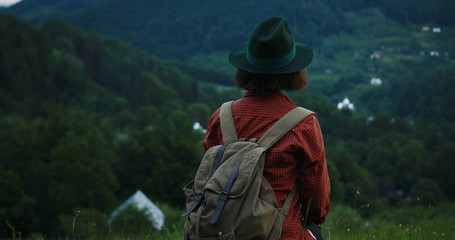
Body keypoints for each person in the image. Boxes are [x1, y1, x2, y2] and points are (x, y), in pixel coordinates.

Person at [202, 17, 331, 239]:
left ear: (245, 68)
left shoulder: (220, 118)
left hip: (222, 232)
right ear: (294, 71)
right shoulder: (303, 125)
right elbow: (317, 207)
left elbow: (208, 182)